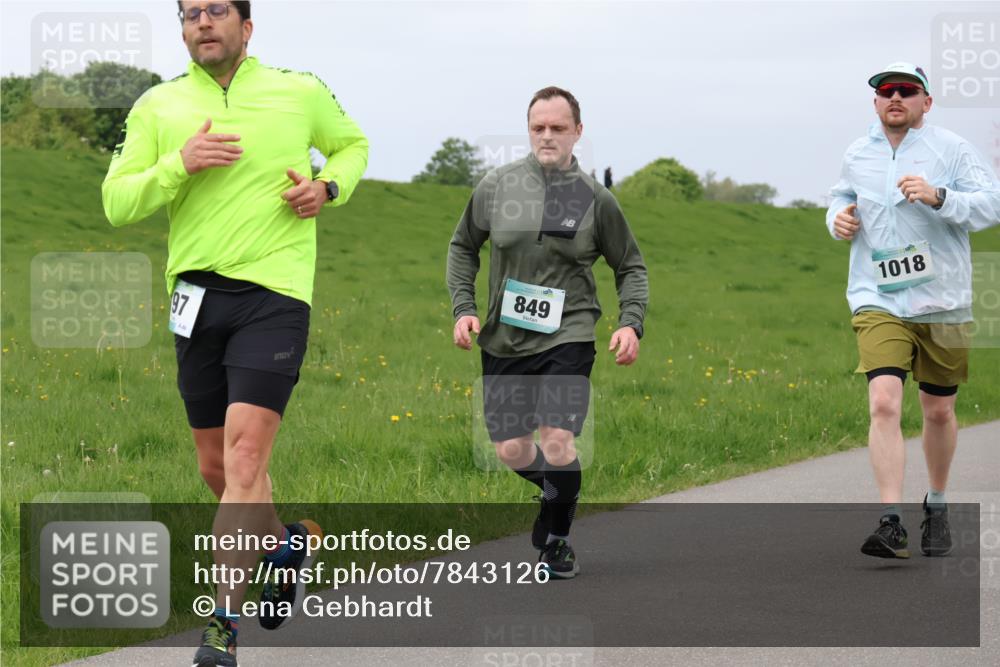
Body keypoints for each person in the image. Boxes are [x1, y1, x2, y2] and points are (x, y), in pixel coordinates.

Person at [102, 2, 368, 664]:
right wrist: (178, 165)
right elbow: (116, 201)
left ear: (246, 26)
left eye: (217, 10)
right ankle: (284, 541)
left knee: (248, 457)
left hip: (274, 296)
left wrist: (328, 186)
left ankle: (222, 623)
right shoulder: (158, 106)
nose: (203, 22)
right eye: (191, 13)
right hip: (194, 298)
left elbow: (352, 144)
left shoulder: (298, 90)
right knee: (217, 467)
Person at [447, 86, 648, 578]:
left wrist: (630, 322)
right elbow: (462, 248)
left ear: (579, 131)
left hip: (570, 333)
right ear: (528, 130)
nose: (548, 136)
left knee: (558, 440)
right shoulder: (496, 187)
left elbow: (631, 266)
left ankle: (558, 542)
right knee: (511, 449)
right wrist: (464, 308)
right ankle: (558, 493)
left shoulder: (596, 200)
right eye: (539, 127)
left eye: (559, 127)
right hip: (505, 338)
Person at [826, 62, 1000, 559]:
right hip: (877, 296)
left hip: (943, 299)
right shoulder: (858, 153)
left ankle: (938, 503)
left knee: (939, 410)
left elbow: (993, 203)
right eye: (886, 91)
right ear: (876, 103)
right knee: (883, 400)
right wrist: (835, 218)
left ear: (926, 101)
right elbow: (841, 194)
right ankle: (890, 519)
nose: (894, 97)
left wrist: (940, 197)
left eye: (906, 90)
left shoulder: (953, 149)